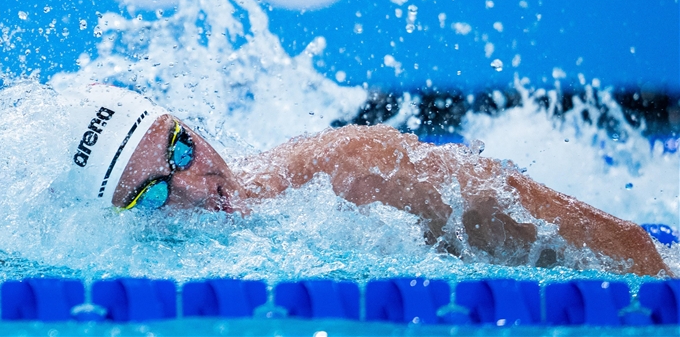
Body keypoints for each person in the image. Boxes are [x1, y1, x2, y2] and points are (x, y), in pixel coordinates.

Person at [57, 84, 672, 277]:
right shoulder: (129, 259)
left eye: (181, 148)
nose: (194, 187)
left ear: (191, 125)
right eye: (153, 192)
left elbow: (626, 246)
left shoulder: (351, 169)